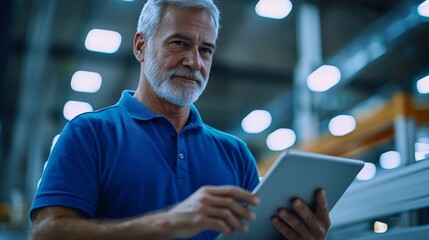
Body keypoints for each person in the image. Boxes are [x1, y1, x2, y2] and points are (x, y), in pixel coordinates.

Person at [30, 0, 331, 239]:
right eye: (179, 43)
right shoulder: (90, 133)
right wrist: (167, 223)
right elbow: (46, 233)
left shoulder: (235, 153)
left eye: (206, 50)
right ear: (140, 46)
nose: (194, 62)